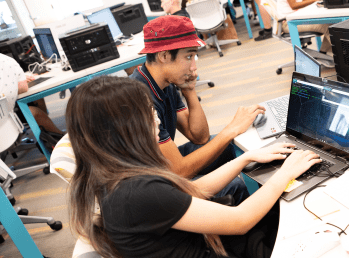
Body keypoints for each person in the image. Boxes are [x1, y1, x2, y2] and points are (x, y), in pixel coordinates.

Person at [67, 76, 321, 258]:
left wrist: (244, 159)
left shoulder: (114, 177)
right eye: (148, 112)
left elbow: (191, 189)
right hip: (222, 248)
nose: (157, 118)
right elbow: (241, 220)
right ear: (124, 129)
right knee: (308, 220)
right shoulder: (137, 191)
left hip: (210, 243)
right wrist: (286, 172)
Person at [129, 16, 264, 204]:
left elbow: (199, 137)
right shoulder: (139, 99)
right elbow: (179, 171)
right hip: (149, 185)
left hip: (165, 165)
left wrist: (189, 90)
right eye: (188, 56)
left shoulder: (164, 82)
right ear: (164, 56)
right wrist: (231, 129)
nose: (194, 67)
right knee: (234, 186)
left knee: (233, 144)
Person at [0, 53, 64, 136]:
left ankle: (46, 133)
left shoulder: (6, 61)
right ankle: (58, 137)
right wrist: (15, 81)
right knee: (33, 112)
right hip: (5, 116)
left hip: (5, 109)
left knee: (37, 99)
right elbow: (23, 88)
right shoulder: (7, 61)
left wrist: (15, 79)